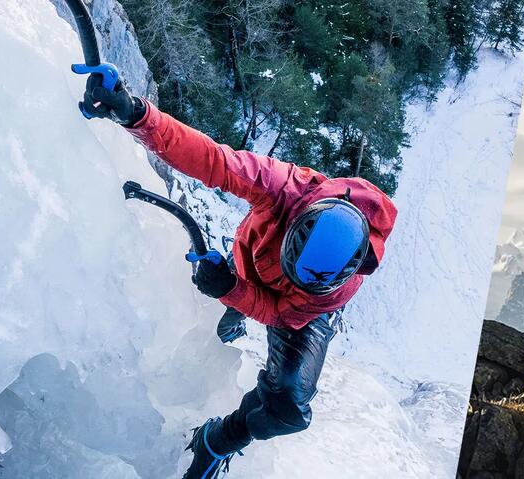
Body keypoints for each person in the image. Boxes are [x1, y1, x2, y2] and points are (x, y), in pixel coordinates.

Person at [76, 67, 397, 479]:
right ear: (296, 221)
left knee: (288, 410)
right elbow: (214, 161)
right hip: (250, 261)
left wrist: (231, 290)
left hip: (295, 308)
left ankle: (219, 440)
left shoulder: (336, 285)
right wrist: (135, 114)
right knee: (226, 325)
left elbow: (282, 313)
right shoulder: (284, 188)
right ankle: (231, 320)